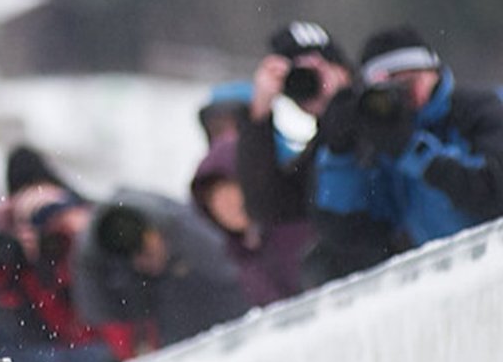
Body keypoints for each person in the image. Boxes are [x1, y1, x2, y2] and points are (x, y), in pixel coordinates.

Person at [314, 26, 503, 249]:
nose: (402, 98)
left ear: (434, 73)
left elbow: (493, 191)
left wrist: (417, 153)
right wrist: (339, 153)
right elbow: (346, 230)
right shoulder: (375, 142)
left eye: (409, 84)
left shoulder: (480, 110)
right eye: (387, 90)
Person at [235, 21, 393, 287]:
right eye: (297, 79)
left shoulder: (385, 110)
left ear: (343, 69)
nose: (312, 84)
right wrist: (259, 115)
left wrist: (342, 103)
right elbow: (268, 204)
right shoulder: (321, 148)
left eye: (320, 71)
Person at [0, 146, 115, 362]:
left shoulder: (90, 229)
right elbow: (18, 326)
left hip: (102, 350)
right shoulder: (8, 254)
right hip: (49, 352)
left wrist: (68, 238)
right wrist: (6, 264)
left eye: (44, 211)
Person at [72, 189, 249, 349]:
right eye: (140, 258)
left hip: (231, 316)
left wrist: (177, 260)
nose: (148, 262)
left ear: (155, 232)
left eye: (149, 251)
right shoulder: (114, 266)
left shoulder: (182, 228)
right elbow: (98, 313)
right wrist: (87, 263)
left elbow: (233, 270)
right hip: (180, 339)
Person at [191, 135, 312, 307]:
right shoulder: (238, 260)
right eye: (214, 203)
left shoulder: (298, 225)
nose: (227, 207)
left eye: (230, 192)